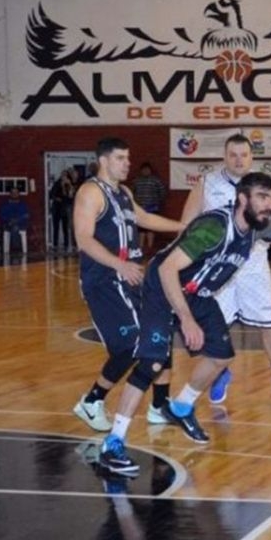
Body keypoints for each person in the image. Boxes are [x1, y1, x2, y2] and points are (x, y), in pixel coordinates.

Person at [97, 172, 271, 474]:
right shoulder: (214, 227)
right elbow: (167, 270)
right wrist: (186, 319)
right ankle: (113, 443)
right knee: (152, 363)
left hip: (197, 293)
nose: (269, 205)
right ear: (242, 199)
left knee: (221, 355)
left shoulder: (258, 228)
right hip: (162, 288)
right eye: (262, 198)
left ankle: (181, 407)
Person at [180, 133, 271, 410]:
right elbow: (186, 225)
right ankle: (222, 371)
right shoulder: (207, 183)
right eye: (233, 155)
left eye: (244, 155)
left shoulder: (265, 185)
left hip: (253, 264)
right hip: (217, 266)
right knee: (218, 325)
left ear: (252, 157)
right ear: (224, 157)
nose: (238, 160)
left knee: (268, 323)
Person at [71, 137, 185, 432]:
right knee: (134, 344)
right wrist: (119, 264)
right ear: (103, 160)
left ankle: (159, 405)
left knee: (160, 332)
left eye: (128, 158)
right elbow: (83, 238)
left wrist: (183, 228)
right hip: (104, 280)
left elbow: (143, 218)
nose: (127, 164)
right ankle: (92, 400)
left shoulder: (123, 192)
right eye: (121, 158)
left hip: (131, 278)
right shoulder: (90, 192)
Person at [132, 162, 166, 253]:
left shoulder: (156, 181)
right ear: (141, 171)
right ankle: (141, 247)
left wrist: (157, 202)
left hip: (152, 207)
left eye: (147, 170)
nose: (145, 171)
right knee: (141, 228)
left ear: (150, 170)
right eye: (144, 170)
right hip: (140, 208)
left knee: (150, 227)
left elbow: (162, 191)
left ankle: (150, 247)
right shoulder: (136, 181)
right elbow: (132, 193)